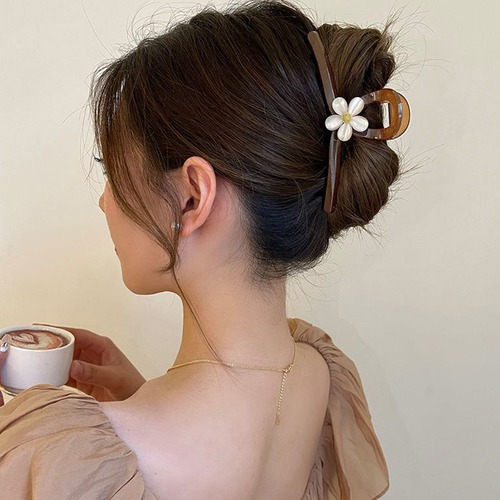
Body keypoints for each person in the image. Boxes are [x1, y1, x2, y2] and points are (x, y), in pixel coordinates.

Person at [0, 1, 410, 498]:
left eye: (112, 169)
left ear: (193, 196)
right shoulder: (319, 373)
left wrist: (29, 445)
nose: (105, 200)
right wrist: (135, 397)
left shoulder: (56, 454)